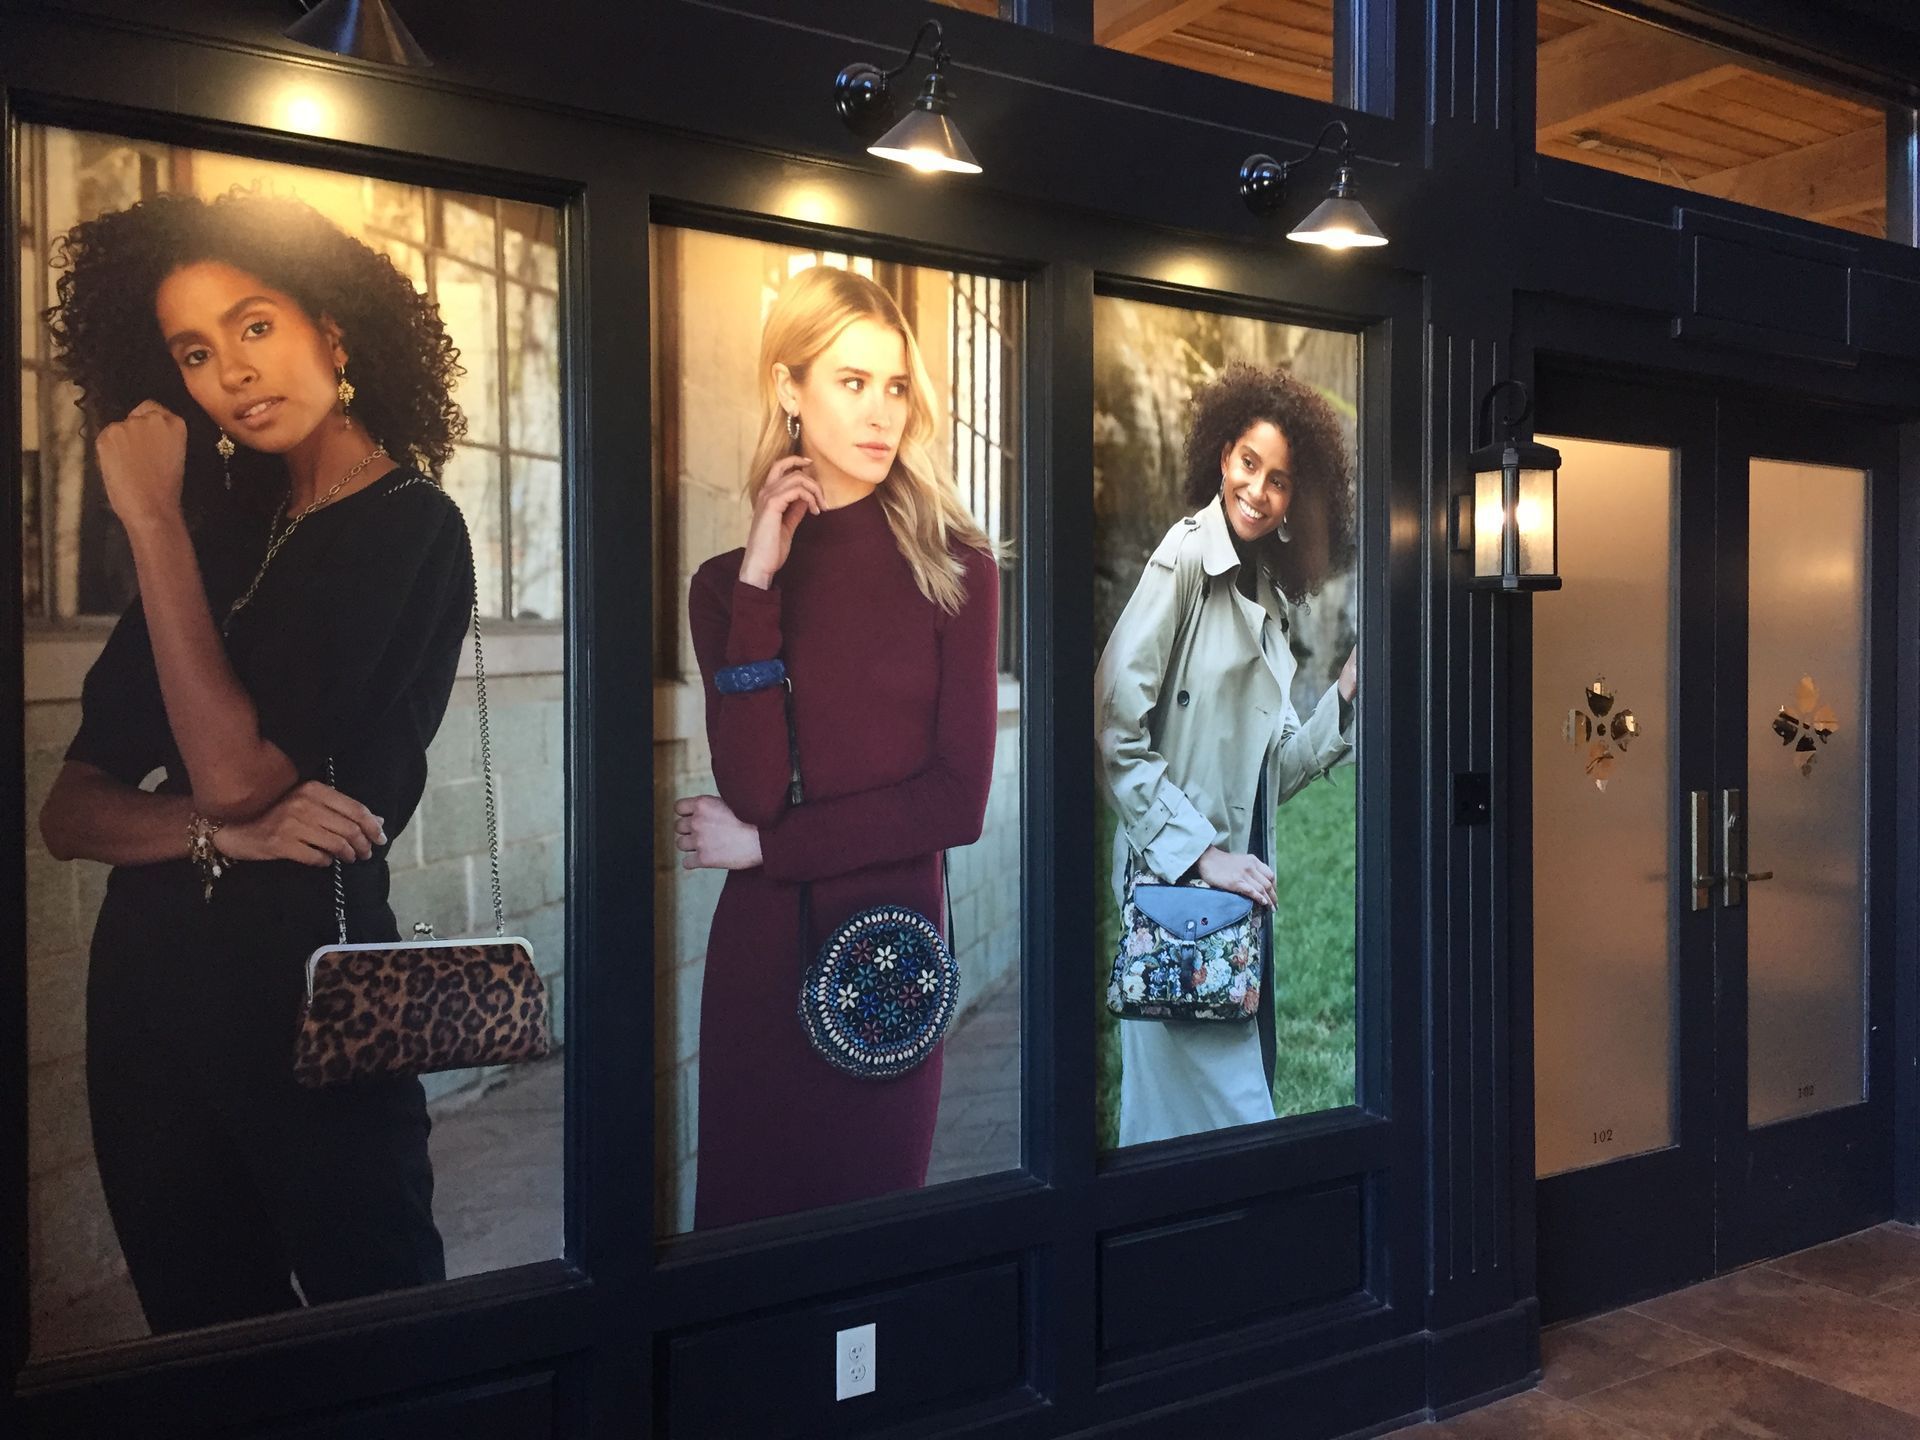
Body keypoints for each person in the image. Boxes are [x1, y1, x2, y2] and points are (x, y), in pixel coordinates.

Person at [37, 190, 473, 1333]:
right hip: (146, 1006)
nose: (230, 370)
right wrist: (220, 836)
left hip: (314, 994)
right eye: (194, 349)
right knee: (202, 1337)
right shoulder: (223, 531)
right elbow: (72, 811)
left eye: (254, 324)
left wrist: (151, 524)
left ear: (333, 330)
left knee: (378, 1332)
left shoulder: (409, 527)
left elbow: (236, 768)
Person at [672, 265, 1001, 1228]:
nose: (880, 412)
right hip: (761, 964)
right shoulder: (725, 587)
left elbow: (957, 804)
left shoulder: (957, 571)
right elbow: (757, 787)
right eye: (851, 382)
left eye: (895, 385)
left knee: (870, 1233)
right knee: (746, 1237)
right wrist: (763, 583)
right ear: (789, 390)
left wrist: (768, 850)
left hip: (892, 955)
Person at [1095, 361, 1358, 1147]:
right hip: (1177, 893)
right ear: (1222, 457)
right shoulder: (1184, 558)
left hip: (1235, 898)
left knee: (1200, 1118)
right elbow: (1113, 728)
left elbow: (1268, 768)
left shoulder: (1268, 598)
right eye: (1249, 463)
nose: (1259, 490)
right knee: (1229, 1120)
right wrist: (1203, 855)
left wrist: (1343, 697)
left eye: (1280, 479)